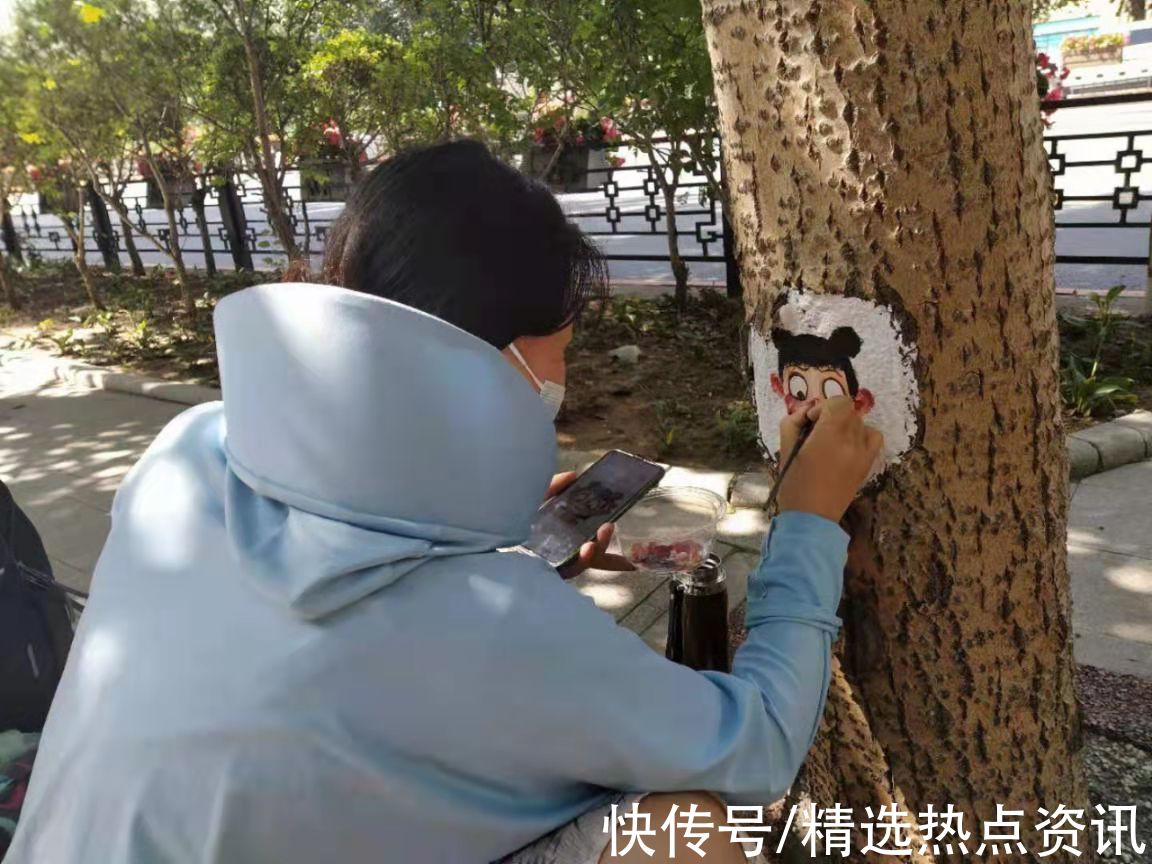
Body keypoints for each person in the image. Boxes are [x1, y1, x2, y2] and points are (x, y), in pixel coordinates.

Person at [6, 140, 882, 864]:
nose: (561, 380)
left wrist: (483, 542)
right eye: (558, 350)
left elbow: (359, 623)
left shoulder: (186, 448)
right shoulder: (495, 621)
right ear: (486, 365)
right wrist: (808, 519)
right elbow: (759, 745)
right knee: (689, 833)